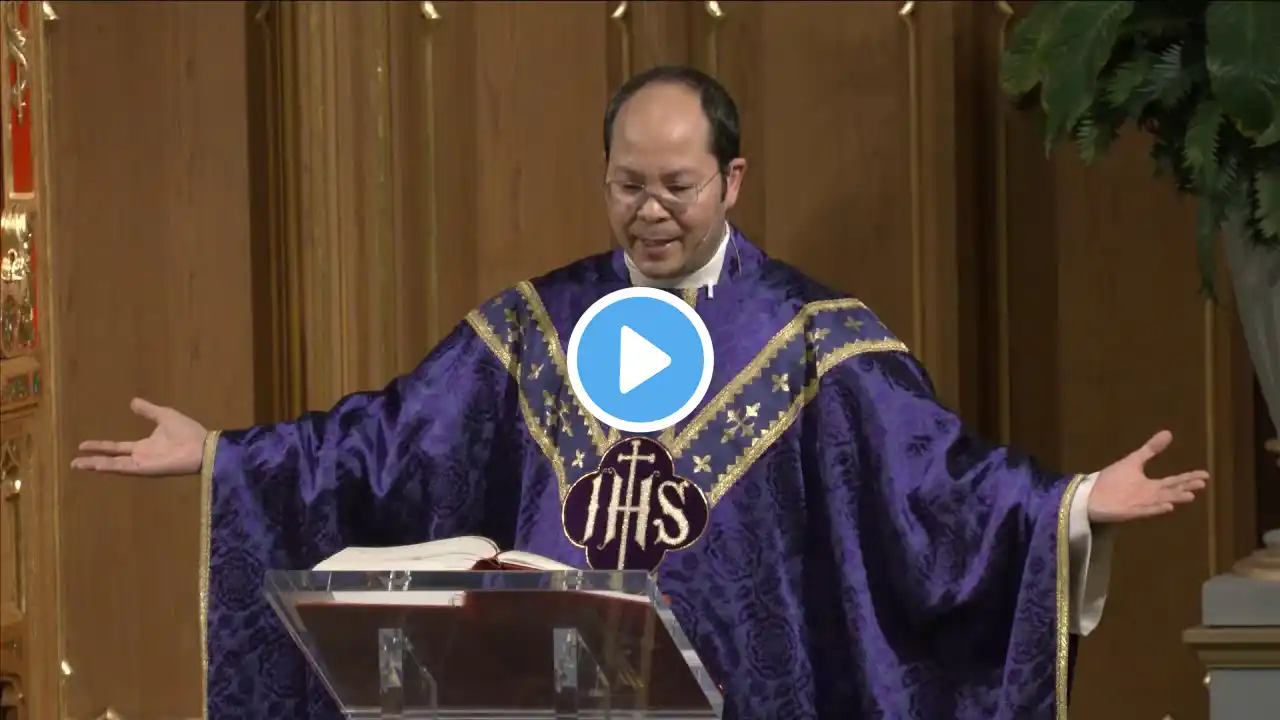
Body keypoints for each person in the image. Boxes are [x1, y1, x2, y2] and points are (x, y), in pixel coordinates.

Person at [74, 66, 1208, 720]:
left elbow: (935, 485)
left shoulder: (811, 341)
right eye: (627, 185)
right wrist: (226, 454)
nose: (649, 210)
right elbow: (389, 442)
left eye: (676, 185)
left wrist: (1067, 504)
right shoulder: (537, 328)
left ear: (732, 179)